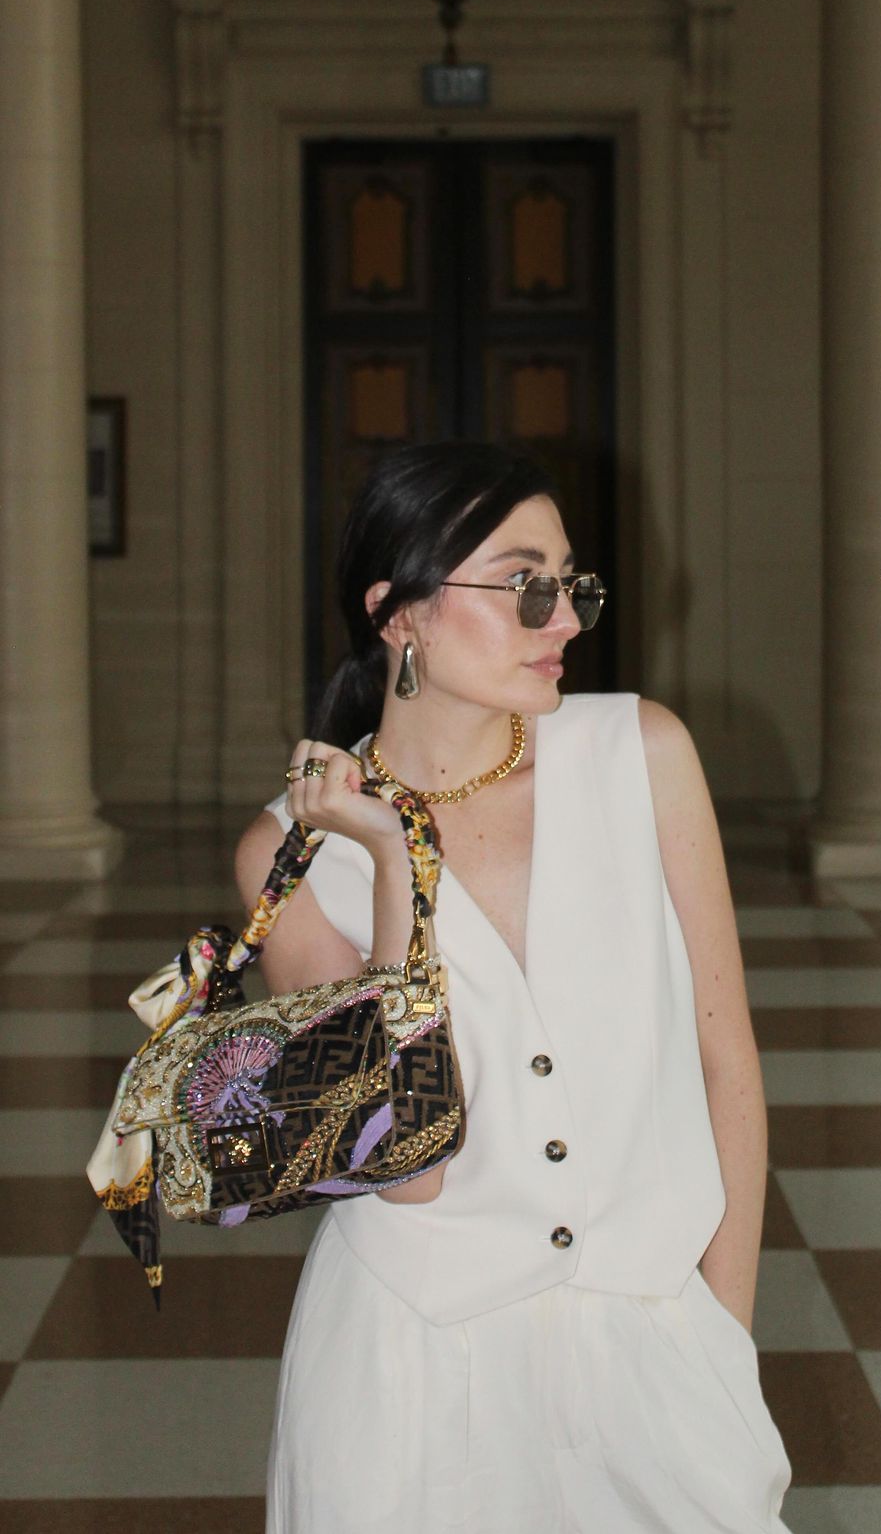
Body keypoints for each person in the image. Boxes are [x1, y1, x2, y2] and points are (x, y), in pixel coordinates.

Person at [235, 440, 793, 1534]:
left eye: (572, 584)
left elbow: (724, 1060)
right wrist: (393, 857)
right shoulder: (290, 855)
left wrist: (724, 1338)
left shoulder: (641, 752)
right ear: (399, 613)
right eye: (525, 585)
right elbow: (406, 1175)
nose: (567, 619)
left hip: (657, 1350)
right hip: (409, 1380)